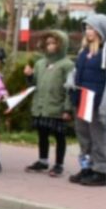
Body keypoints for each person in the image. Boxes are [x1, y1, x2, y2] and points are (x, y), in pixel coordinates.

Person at [68, 13, 106, 187]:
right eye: (86, 27)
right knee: (84, 137)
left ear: (101, 30)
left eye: (91, 28)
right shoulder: (84, 51)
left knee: (99, 138)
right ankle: (86, 168)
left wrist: (105, 107)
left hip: (97, 103)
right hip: (82, 100)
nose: (88, 31)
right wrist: (70, 81)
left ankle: (100, 172)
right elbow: (76, 71)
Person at [23, 30, 75, 177]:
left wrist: (67, 109)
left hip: (57, 107)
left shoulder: (67, 65)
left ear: (62, 45)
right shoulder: (40, 63)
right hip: (41, 107)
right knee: (42, 134)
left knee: (59, 136)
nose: (50, 46)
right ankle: (43, 160)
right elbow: (33, 85)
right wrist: (29, 76)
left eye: (54, 43)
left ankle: (59, 164)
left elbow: (69, 88)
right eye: (48, 43)